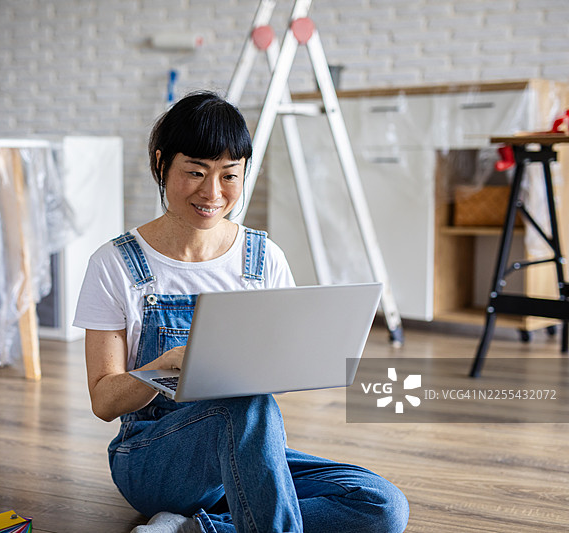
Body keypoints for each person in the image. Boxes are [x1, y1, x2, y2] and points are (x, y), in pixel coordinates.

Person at [73, 91, 409, 533]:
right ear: (160, 165)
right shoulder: (115, 263)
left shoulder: (262, 258)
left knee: (381, 505)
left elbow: (282, 378)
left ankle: (195, 529)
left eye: (229, 175)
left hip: (245, 449)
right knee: (245, 405)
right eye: (195, 172)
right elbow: (103, 401)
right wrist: (160, 367)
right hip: (153, 460)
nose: (212, 193)